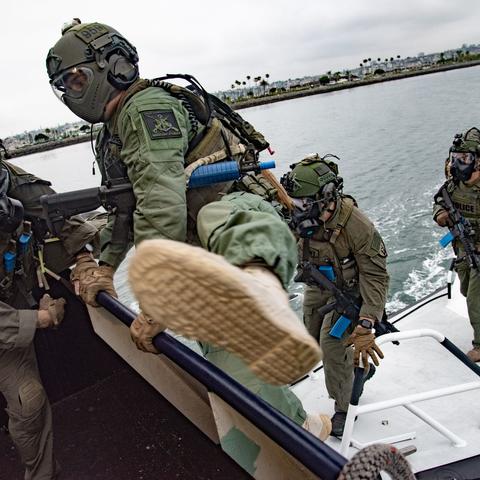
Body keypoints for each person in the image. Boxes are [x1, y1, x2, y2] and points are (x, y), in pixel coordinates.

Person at [45, 19, 331, 448]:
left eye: (77, 78)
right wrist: (106, 266)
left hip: (233, 232)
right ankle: (302, 425)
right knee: (224, 348)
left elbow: (160, 205)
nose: (72, 92)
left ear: (114, 66)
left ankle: (301, 437)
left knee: (232, 358)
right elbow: (126, 207)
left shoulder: (146, 111)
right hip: (199, 246)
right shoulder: (113, 129)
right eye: (63, 85)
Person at [0, 151, 103, 479]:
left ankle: (41, 474)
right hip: (11, 324)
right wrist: (41, 319)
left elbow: (56, 210)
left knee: (29, 401)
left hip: (9, 316)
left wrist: (85, 258)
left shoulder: (8, 178)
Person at [280, 153, 390, 437]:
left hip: (349, 293)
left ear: (326, 198)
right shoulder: (298, 217)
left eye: (304, 203)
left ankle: (345, 408)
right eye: (295, 202)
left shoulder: (357, 226)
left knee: (331, 344)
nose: (297, 209)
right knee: (311, 338)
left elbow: (375, 275)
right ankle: (357, 374)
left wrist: (367, 321)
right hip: (317, 288)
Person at [433, 127, 480, 363]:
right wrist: (441, 214)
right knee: (464, 290)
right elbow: (439, 201)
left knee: (474, 298)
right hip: (462, 249)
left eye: (464, 159)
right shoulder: (453, 186)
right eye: (455, 158)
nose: (458, 164)